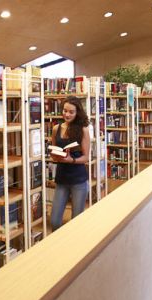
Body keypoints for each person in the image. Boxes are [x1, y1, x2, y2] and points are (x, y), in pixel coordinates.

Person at [50, 96, 90, 231]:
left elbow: (86, 158)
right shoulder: (56, 129)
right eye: (65, 111)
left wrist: (71, 160)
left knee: (76, 221)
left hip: (78, 180)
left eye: (71, 112)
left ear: (77, 113)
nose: (67, 114)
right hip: (61, 178)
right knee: (54, 221)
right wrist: (55, 155)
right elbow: (54, 150)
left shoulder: (83, 130)